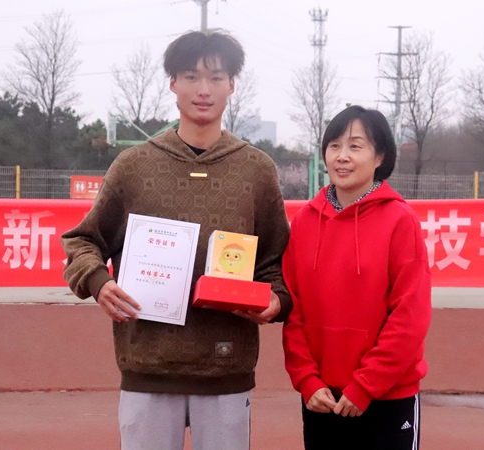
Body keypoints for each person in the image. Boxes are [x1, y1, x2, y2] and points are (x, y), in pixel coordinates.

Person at [62, 30, 291, 450]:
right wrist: (98, 282)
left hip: (226, 367)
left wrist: (277, 301)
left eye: (216, 78)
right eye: (190, 76)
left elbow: (276, 262)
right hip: (147, 366)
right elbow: (82, 240)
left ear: (232, 85)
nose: (203, 90)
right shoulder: (134, 165)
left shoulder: (256, 170)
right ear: (172, 83)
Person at [282, 105, 431, 449]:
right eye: (334, 146)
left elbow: (410, 315)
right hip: (321, 398)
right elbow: (294, 310)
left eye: (355, 146)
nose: (342, 156)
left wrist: (366, 386)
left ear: (380, 156)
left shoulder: (400, 220)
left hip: (386, 397)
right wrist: (306, 380)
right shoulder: (305, 221)